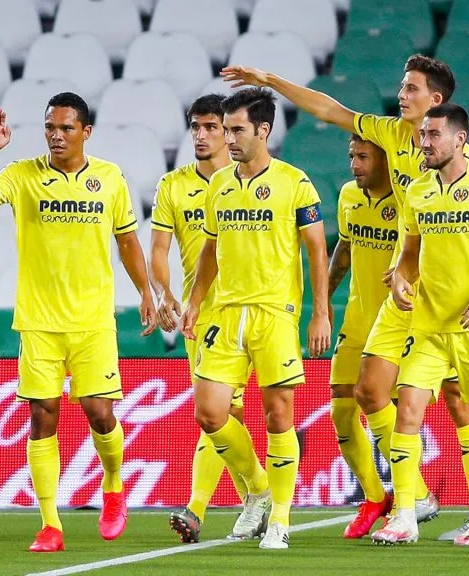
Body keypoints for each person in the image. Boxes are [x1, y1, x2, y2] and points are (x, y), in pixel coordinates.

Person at [222, 55, 469, 538]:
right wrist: (269, 80)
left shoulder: (456, 160)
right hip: (396, 291)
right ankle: (406, 498)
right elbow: (328, 109)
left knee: (456, 402)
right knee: (364, 395)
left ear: (437, 101)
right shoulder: (389, 134)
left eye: (411, 88)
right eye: (402, 87)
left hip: (438, 293)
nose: (401, 94)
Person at [0, 92, 157, 553]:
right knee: (41, 416)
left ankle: (112, 485)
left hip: (92, 321)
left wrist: (146, 290)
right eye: (50, 126)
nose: (56, 135)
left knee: (99, 412)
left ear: (86, 132)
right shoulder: (24, 175)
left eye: (66, 128)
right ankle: (50, 524)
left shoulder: (109, 179)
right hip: (38, 322)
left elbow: (128, 240)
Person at [181, 88, 331, 550]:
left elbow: (316, 249)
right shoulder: (220, 183)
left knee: (277, 416)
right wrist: (194, 299)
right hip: (225, 313)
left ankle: (281, 519)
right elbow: (210, 247)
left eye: (237, 130)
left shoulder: (295, 183)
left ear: (263, 130)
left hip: (274, 313)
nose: (228, 138)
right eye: (225, 129)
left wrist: (320, 313)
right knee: (210, 412)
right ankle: (259, 489)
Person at [372, 104, 469, 546]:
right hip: (428, 326)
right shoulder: (419, 190)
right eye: (422, 135)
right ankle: (404, 516)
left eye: (433, 135)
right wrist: (401, 277)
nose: (424, 142)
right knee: (407, 412)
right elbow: (411, 252)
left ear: (459, 139)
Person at [150, 94, 254, 544]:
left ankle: (198, 507)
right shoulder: (173, 185)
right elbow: (157, 250)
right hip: (199, 313)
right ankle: (259, 494)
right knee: (221, 415)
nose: (201, 134)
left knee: (221, 411)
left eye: (211, 126)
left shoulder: (247, 182)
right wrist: (165, 291)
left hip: (245, 309)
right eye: (196, 126)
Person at [327, 134, 400, 538]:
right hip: (357, 319)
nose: (354, 164)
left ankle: (414, 494)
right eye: (351, 155)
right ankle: (375, 496)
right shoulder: (347, 196)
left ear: (387, 161)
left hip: (399, 321)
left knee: (401, 412)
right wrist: (323, 296)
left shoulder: (407, 199)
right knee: (341, 408)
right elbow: (345, 245)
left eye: (363, 157)